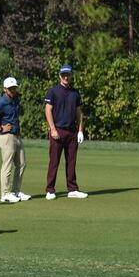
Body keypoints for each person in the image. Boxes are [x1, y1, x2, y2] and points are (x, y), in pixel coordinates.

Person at [44, 65, 88, 200]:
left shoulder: (75, 93)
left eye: (68, 75)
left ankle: (72, 189)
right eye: (63, 75)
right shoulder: (53, 91)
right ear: (59, 76)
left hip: (71, 132)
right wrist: (52, 129)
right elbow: (48, 110)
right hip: (57, 131)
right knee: (54, 162)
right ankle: (50, 190)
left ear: (71, 75)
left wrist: (80, 131)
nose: (66, 77)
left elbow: (79, 113)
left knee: (71, 161)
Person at [0, 77, 29, 203]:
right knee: (7, 165)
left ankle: (16, 191)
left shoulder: (15, 99)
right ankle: (5, 194)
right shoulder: (2, 101)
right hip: (6, 136)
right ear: (5, 89)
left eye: (14, 88)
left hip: (16, 135)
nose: (13, 90)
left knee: (22, 163)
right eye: (10, 89)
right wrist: (0, 128)